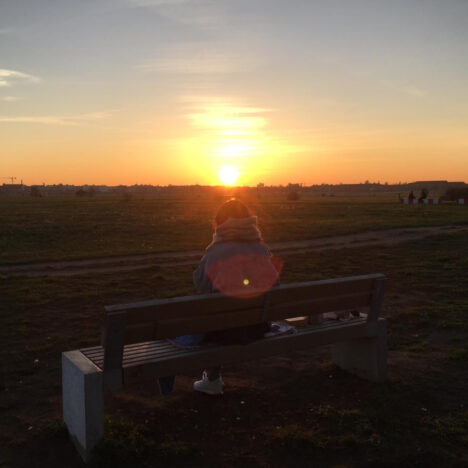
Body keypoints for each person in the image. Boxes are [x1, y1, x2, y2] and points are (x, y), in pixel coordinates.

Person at [159, 198, 280, 396]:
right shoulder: (261, 248)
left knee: (188, 324)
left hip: (223, 330)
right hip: (257, 326)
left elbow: (201, 285)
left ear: (220, 222)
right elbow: (275, 285)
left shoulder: (216, 250)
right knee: (223, 316)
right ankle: (211, 379)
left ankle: (211, 380)